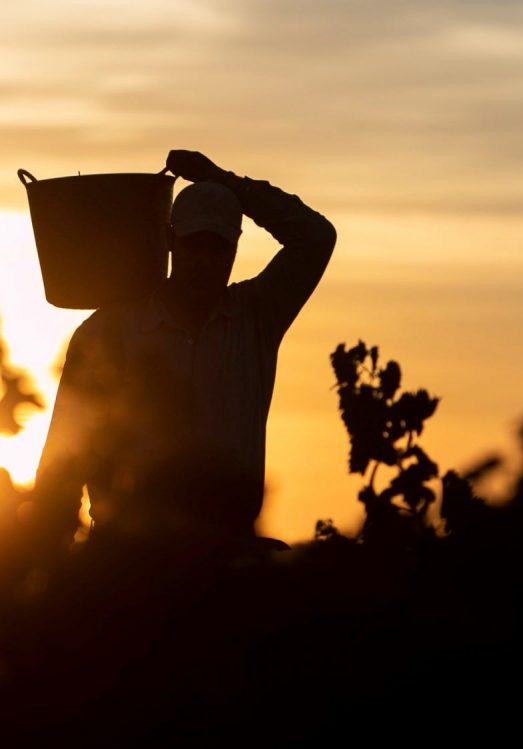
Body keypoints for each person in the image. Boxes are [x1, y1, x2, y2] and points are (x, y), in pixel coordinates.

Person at [32, 149, 336, 553]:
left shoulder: (255, 317)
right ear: (171, 241)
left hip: (227, 554)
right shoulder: (107, 333)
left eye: (218, 249)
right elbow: (63, 461)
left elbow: (316, 237)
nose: (204, 261)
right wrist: (50, 561)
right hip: (127, 558)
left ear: (235, 249)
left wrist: (222, 180)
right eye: (194, 246)